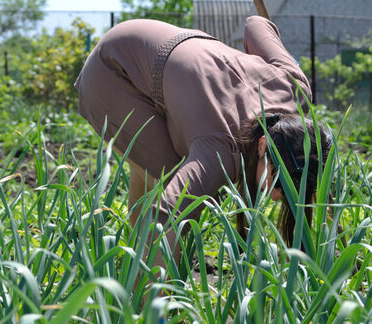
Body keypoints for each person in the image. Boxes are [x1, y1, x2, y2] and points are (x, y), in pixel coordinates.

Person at [75, 15, 332, 250]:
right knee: (180, 184)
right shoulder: (219, 149)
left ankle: (136, 256)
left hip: (150, 42)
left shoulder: (294, 87)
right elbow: (162, 220)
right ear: (263, 145)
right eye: (278, 182)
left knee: (153, 174)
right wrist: (158, 299)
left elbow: (257, 24)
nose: (276, 196)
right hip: (113, 71)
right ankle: (146, 277)